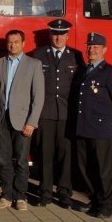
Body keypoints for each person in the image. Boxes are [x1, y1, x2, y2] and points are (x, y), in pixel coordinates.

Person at [30, 19, 83, 208]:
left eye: (62, 34)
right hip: (44, 113)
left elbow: (79, 86)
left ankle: (64, 192)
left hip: (66, 114)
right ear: (50, 35)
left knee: (65, 155)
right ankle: (44, 193)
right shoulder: (38, 55)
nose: (58, 37)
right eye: (54, 33)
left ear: (68, 36)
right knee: (44, 154)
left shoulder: (76, 56)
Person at [75, 32, 112, 219]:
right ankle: (95, 199)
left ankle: (106, 205)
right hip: (82, 126)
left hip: (100, 128)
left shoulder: (110, 72)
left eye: (96, 47)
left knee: (103, 168)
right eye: (89, 46)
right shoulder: (83, 70)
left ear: (104, 49)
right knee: (86, 167)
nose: (92, 50)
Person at [0, 29, 45, 211]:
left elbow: (39, 96)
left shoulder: (34, 65)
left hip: (22, 121)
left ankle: (21, 197)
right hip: (1, 119)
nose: (12, 45)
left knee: (22, 160)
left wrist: (32, 122)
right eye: (9, 42)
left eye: (16, 42)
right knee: (3, 160)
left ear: (23, 43)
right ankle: (6, 195)